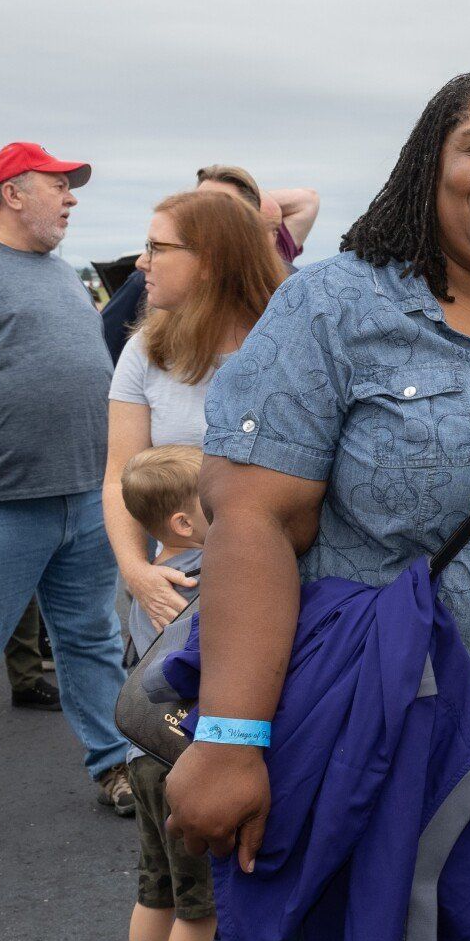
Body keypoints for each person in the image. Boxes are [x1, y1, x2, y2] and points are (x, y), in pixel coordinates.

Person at [163, 65, 470, 941]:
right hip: (379, 749)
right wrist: (229, 738)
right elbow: (252, 520)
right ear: (432, 163)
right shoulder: (336, 305)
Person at [0, 141, 134, 816]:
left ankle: (115, 766)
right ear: (13, 192)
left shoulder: (58, 272)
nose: (71, 197)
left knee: (93, 639)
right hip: (2, 504)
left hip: (83, 494)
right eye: (58, 185)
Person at [105, 190, 286, 632]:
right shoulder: (146, 350)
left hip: (286, 586)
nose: (141, 262)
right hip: (178, 590)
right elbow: (117, 477)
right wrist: (136, 573)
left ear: (210, 261)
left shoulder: (289, 352)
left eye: (156, 248)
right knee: (168, 704)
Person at [118, 445, 214, 941]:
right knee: (201, 907)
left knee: (156, 891)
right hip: (184, 753)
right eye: (213, 497)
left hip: (142, 753)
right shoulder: (203, 572)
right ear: (182, 521)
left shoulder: (151, 577)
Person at [100, 165, 317, 362]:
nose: (200, 213)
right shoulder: (147, 281)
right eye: (198, 203)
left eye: (219, 208)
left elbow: (308, 200)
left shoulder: (287, 287)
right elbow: (104, 346)